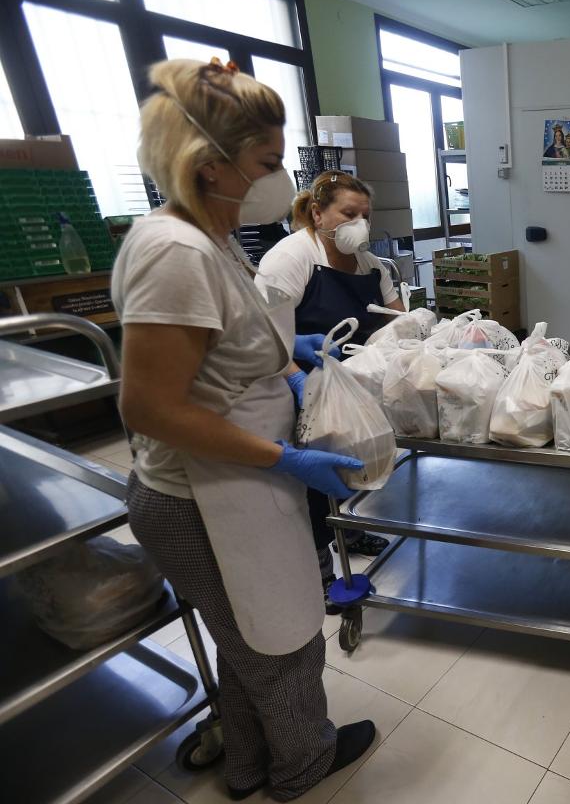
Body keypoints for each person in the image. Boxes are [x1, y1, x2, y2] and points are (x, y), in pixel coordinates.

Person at [112, 58, 376, 801]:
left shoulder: (215, 237)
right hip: (196, 495)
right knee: (279, 645)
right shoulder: (174, 251)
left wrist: (284, 351)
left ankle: (250, 766)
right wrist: (285, 458)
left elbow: (214, 346)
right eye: (265, 162)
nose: (278, 180)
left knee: (249, 636)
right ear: (208, 163)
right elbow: (151, 407)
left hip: (232, 481)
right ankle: (302, 767)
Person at [257, 172, 399, 602]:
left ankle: (350, 533)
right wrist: (297, 377)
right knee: (314, 484)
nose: (360, 225)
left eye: (366, 216)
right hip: (295, 384)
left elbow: (398, 321)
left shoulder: (373, 267)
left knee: (354, 465)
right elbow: (262, 334)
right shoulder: (292, 258)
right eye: (349, 214)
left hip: (353, 388)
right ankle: (319, 570)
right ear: (318, 214)